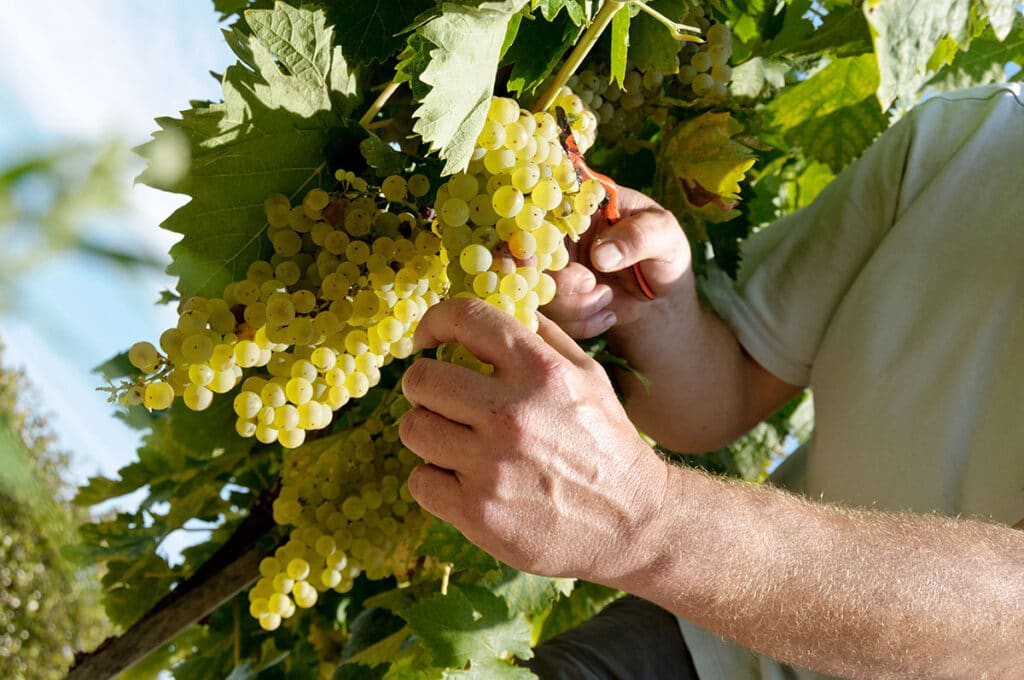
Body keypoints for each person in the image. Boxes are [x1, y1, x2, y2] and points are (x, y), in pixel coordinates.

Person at [397, 83, 1024, 678]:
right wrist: (653, 312)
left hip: (700, 573)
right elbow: (723, 400)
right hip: (713, 637)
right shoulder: (966, 139)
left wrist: (648, 522)